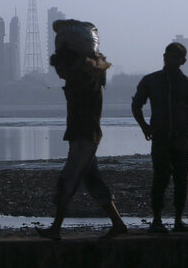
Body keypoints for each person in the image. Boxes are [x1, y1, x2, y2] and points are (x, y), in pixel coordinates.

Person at [36, 48, 127, 240]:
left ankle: (56, 229)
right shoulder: (81, 81)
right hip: (82, 136)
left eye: (59, 67)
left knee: (68, 180)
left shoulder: (83, 82)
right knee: (93, 180)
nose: (58, 72)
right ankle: (118, 224)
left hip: (85, 138)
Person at [132, 42, 188, 233]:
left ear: (182, 61)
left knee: (182, 180)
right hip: (160, 139)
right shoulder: (151, 81)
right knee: (160, 179)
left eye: (175, 57)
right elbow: (136, 104)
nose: (170, 60)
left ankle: (178, 220)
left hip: (183, 140)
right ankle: (157, 221)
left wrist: (186, 136)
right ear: (164, 57)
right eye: (168, 56)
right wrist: (144, 126)